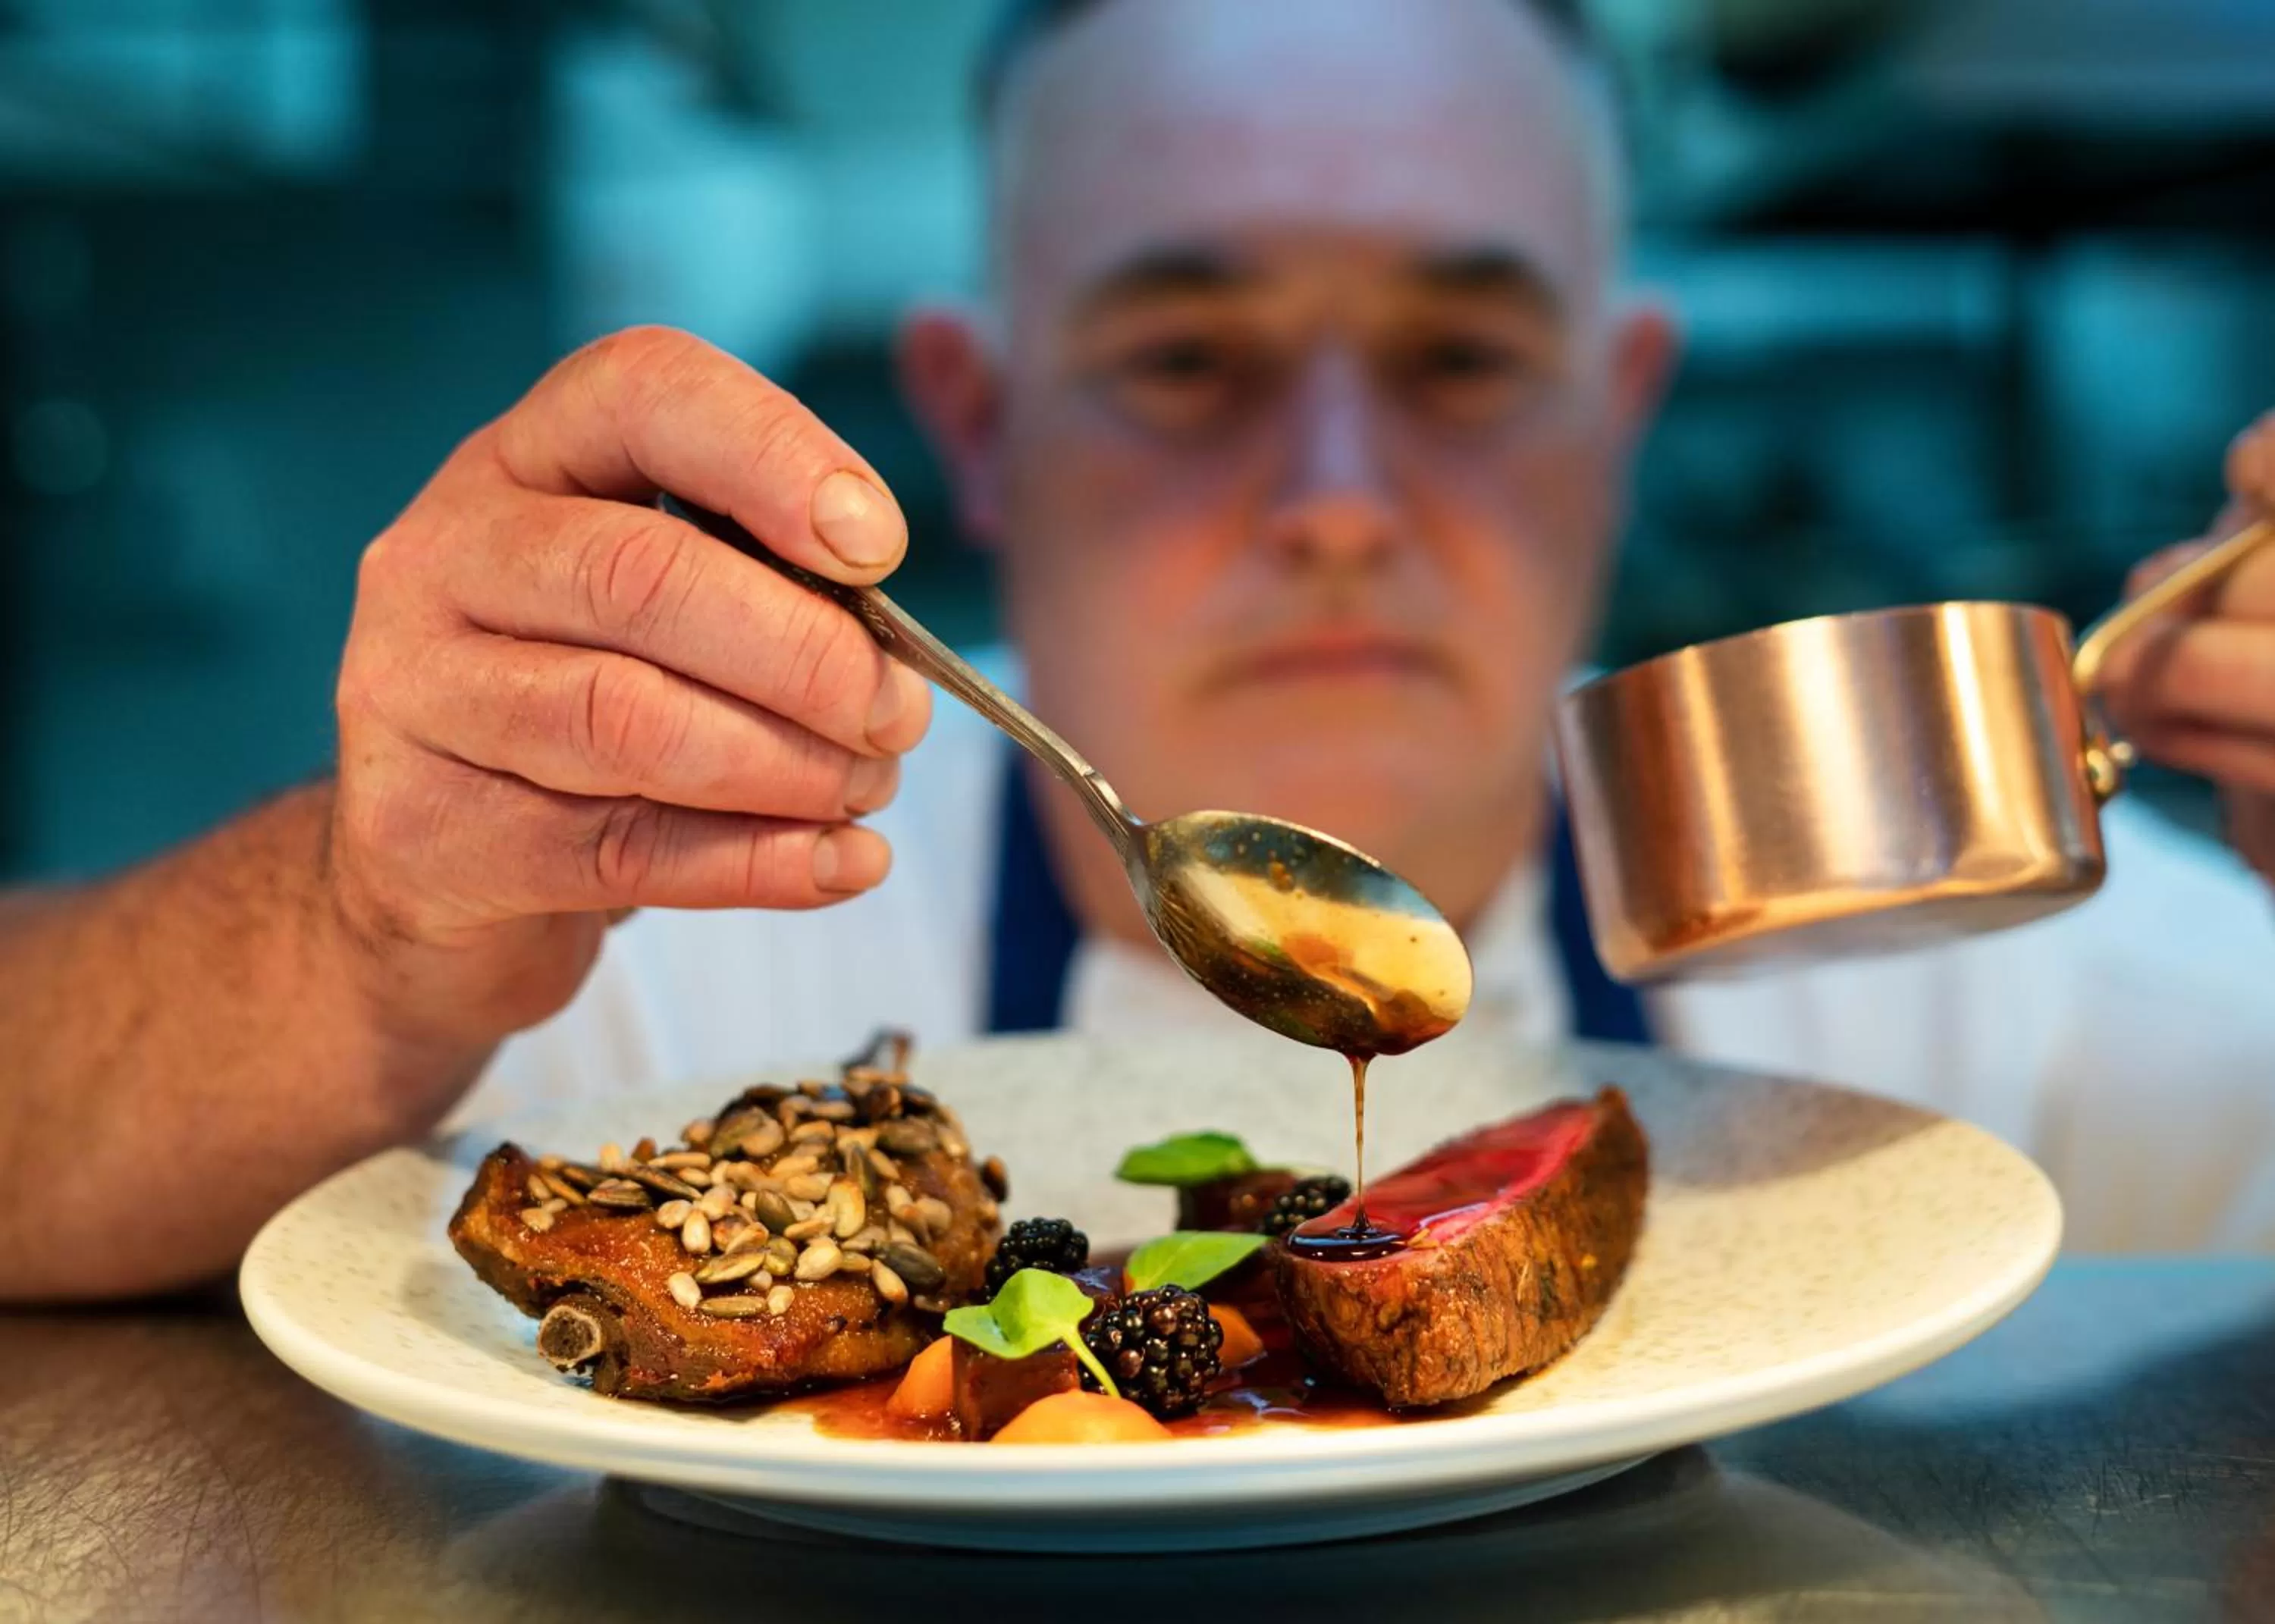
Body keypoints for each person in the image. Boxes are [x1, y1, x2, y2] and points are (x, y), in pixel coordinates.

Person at [3, 0, 2273, 1302]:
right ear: (981, 427)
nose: (1338, 495)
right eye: (1189, 360)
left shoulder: (2000, 969)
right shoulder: (666, 908)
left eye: (1464, 361)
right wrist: (353, 937)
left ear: (1620, 417)